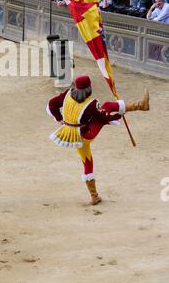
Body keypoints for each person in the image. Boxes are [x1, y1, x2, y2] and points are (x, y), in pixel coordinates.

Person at [47, 75, 149, 205]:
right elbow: (103, 118)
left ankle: (94, 197)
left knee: (87, 162)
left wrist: (59, 119)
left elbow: (52, 104)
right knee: (107, 105)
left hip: (71, 136)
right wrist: (118, 115)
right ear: (88, 88)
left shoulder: (67, 94)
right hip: (87, 135)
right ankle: (140, 105)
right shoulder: (91, 104)